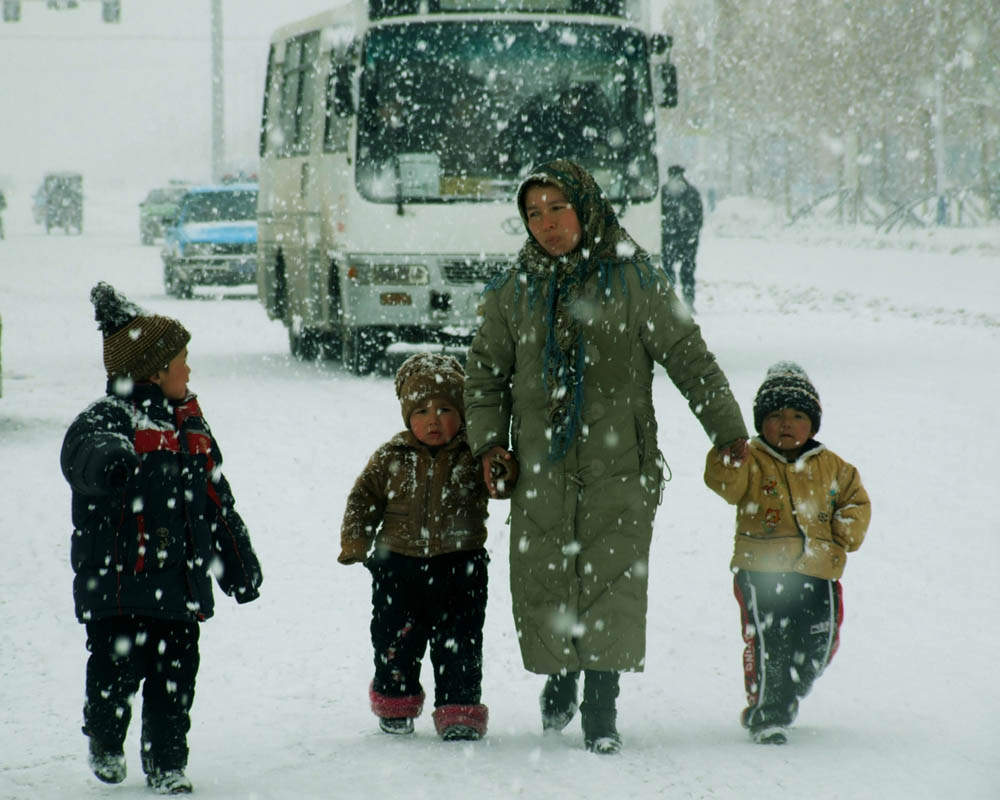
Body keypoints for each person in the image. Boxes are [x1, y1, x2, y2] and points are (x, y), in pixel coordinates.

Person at [463, 159, 748, 754]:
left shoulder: (636, 278)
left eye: (557, 209)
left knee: (610, 581)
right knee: (546, 578)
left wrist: (727, 430)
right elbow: (486, 376)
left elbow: (688, 357)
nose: (546, 224)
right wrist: (490, 444)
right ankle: (561, 676)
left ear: (585, 206)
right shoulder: (513, 289)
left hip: (622, 463)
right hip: (540, 467)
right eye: (534, 213)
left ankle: (601, 704)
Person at [60, 283, 263, 794]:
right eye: (182, 360)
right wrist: (109, 460)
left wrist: (238, 564)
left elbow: (216, 502)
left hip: (177, 588)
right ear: (153, 371)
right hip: (120, 587)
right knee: (115, 673)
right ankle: (105, 739)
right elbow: (80, 453)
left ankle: (166, 762)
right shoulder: (110, 419)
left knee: (176, 683)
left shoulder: (192, 427)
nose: (189, 370)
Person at [703, 362, 871, 745]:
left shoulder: (833, 466)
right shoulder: (752, 459)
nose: (786, 424)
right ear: (761, 422)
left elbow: (856, 503)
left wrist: (842, 534)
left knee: (820, 641)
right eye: (775, 416)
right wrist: (727, 458)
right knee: (770, 643)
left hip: (817, 572)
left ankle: (789, 689)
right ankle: (768, 711)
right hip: (762, 572)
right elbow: (726, 486)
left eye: (797, 416)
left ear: (812, 424)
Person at [339, 353, 492, 741]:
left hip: (461, 566)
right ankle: (396, 701)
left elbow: (501, 486)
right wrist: (356, 541)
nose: (433, 419)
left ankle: (459, 709)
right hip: (398, 567)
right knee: (395, 639)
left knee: (460, 643)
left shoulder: (474, 454)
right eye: (422, 410)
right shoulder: (392, 456)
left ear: (462, 413)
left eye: (445, 409)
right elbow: (363, 498)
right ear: (408, 416)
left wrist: (503, 468)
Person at [660, 164, 703, 312]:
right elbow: (698, 218)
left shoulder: (664, 193)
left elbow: (698, 218)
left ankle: (676, 303)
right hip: (678, 240)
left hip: (674, 239)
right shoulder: (689, 193)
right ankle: (675, 303)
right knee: (681, 271)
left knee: (678, 271)